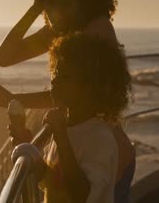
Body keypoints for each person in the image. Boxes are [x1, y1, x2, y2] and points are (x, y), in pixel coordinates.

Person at [0, 0, 135, 202]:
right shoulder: (57, 31)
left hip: (106, 158)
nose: (53, 12)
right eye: (49, 2)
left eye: (62, 2)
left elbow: (79, 95)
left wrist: (11, 98)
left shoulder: (97, 31)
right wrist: (33, 9)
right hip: (72, 147)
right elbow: (4, 57)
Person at [34, 34, 131, 202]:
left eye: (66, 77)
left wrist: (61, 136)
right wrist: (28, 148)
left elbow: (82, 196)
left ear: (91, 87)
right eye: (56, 73)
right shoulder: (65, 126)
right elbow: (52, 181)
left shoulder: (100, 138)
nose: (55, 81)